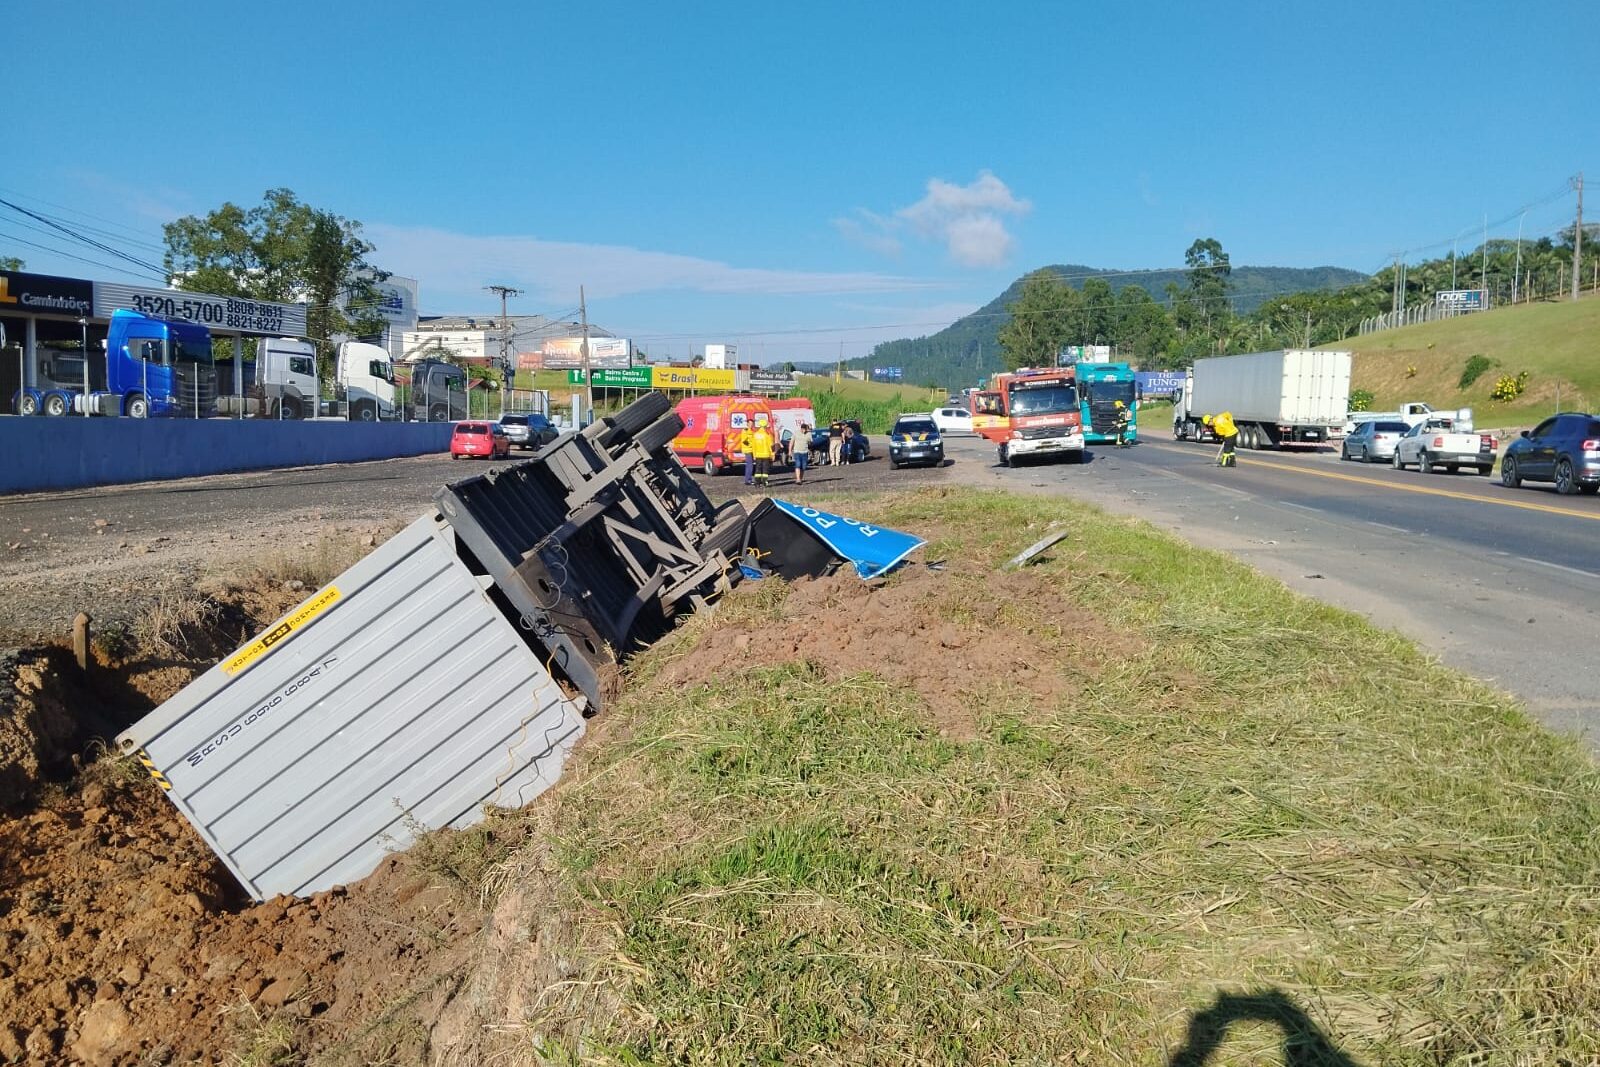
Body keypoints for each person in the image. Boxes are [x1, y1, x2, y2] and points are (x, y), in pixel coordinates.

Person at [749, 419, 775, 487]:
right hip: (766, 455)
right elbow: (771, 446)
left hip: (758, 455)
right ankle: (764, 482)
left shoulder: (755, 434)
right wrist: (773, 454)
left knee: (758, 469)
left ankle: (757, 483)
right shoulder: (767, 435)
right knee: (765, 470)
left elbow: (753, 446)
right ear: (766, 425)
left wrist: (754, 455)